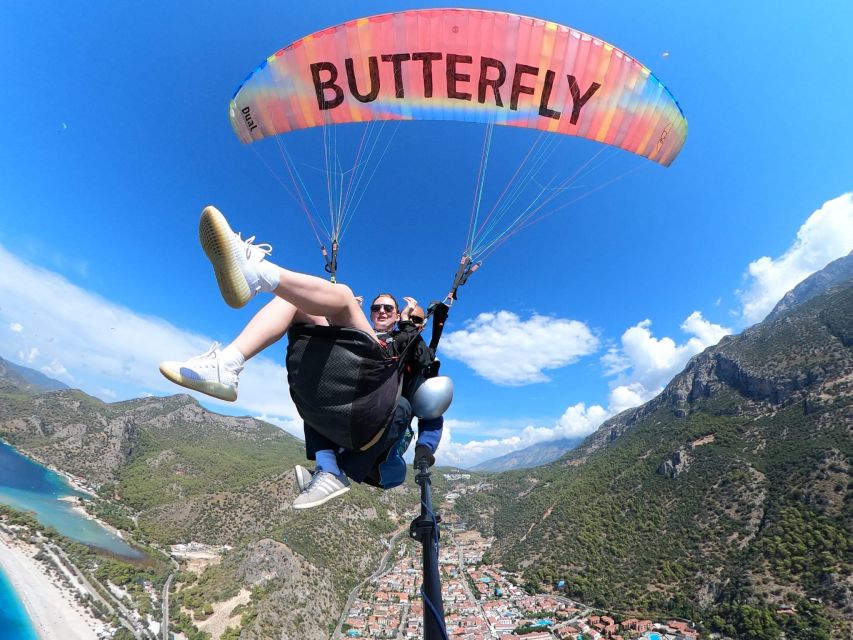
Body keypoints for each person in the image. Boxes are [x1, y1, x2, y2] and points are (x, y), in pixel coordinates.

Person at [159, 205, 439, 509]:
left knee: (342, 296)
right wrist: (338, 317)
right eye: (376, 308)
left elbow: (429, 405)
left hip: (376, 406)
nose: (381, 311)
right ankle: (227, 366)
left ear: (398, 316)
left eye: (388, 309)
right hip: (346, 392)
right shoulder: (357, 340)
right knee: (293, 304)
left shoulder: (407, 345)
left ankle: (260, 273)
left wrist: (425, 448)